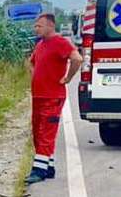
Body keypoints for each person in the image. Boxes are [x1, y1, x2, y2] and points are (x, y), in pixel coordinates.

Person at [25, 13, 83, 184]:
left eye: (39, 26)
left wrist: (68, 77)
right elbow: (31, 62)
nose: (36, 29)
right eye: (35, 26)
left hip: (52, 96)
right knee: (37, 131)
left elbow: (77, 59)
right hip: (39, 95)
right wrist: (35, 75)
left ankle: (39, 170)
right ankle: (48, 166)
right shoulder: (40, 44)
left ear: (51, 26)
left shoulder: (60, 42)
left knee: (46, 132)